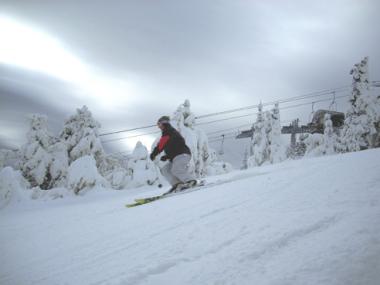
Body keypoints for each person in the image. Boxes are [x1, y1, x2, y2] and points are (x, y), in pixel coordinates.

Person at [150, 116, 197, 191]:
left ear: (164, 123)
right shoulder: (167, 133)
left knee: (176, 169)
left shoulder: (168, 132)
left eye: (159, 124)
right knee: (165, 169)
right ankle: (177, 184)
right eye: (157, 125)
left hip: (183, 154)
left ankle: (191, 181)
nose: (158, 127)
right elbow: (172, 146)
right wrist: (167, 156)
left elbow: (160, 146)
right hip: (176, 156)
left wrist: (154, 154)